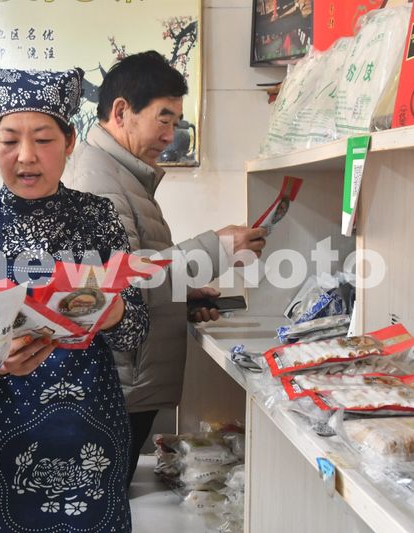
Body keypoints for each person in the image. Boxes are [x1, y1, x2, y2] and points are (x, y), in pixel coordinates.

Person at [0, 67, 148, 532]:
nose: (26, 156)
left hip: (87, 421)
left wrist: (113, 310)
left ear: (70, 141)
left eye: (43, 139)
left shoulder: (98, 216)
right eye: (9, 140)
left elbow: (136, 332)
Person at [63, 51, 267, 485]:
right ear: (122, 111)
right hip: (120, 382)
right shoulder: (97, 180)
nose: (171, 136)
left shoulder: (122, 175)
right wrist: (217, 249)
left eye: (176, 123)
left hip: (131, 379)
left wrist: (182, 297)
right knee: (106, 499)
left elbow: (138, 271)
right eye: (164, 119)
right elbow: (115, 280)